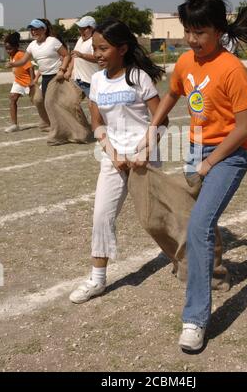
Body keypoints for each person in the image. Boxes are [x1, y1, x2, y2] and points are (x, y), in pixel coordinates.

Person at [139, 0, 247, 352]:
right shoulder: (184, 62)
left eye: (201, 33)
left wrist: (211, 161)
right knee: (200, 223)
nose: (193, 40)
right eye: (189, 32)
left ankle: (195, 319)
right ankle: (212, 270)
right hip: (196, 151)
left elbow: (244, 128)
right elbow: (174, 93)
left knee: (198, 225)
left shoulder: (231, 69)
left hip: (228, 155)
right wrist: (154, 126)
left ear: (218, 31)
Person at [69, 18, 167, 304]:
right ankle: (97, 279)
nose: (97, 54)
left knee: (156, 219)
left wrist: (142, 153)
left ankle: (184, 259)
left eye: (103, 48)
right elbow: (97, 124)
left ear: (122, 48)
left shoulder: (138, 77)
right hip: (112, 158)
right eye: (95, 48)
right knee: (101, 216)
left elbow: (161, 120)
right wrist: (113, 155)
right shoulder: (97, 80)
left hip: (143, 159)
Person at [6, 18, 70, 99]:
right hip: (45, 78)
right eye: (32, 29)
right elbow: (23, 61)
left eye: (36, 29)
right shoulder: (32, 45)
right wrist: (13, 64)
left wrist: (62, 70)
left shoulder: (52, 41)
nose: (33, 32)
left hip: (57, 76)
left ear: (44, 30)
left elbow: (66, 55)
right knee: (45, 103)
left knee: (57, 103)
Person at [64, 16, 99, 108]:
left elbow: (97, 58)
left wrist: (82, 55)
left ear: (92, 28)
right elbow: (74, 57)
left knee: (94, 107)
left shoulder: (95, 41)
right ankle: (81, 123)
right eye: (80, 28)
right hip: (78, 79)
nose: (81, 31)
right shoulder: (80, 39)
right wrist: (69, 71)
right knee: (71, 104)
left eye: (84, 28)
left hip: (90, 81)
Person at [4, 32, 35, 132]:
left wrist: (32, 81)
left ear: (16, 46)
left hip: (27, 82)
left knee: (38, 102)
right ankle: (14, 125)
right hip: (18, 81)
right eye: (6, 48)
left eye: (10, 48)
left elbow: (30, 68)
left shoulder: (20, 54)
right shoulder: (12, 55)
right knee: (12, 98)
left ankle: (50, 120)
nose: (8, 51)